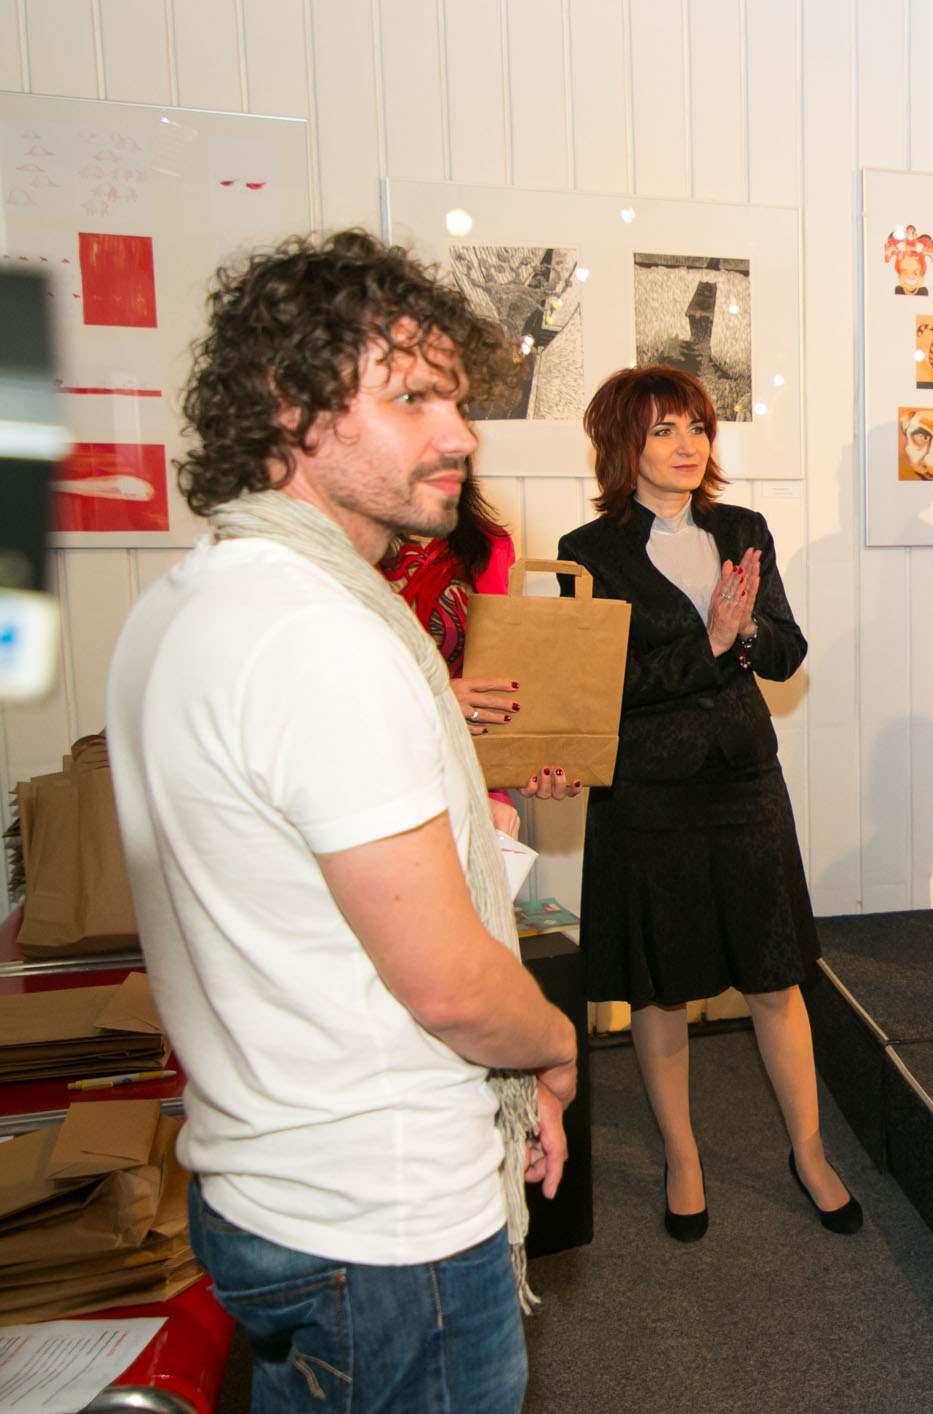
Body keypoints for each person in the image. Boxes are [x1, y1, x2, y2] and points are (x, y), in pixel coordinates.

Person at [104, 229, 578, 1410]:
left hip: (264, 1189)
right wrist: (552, 1041)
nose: (459, 434)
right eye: (412, 398)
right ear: (292, 407)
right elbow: (453, 988)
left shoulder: (188, 598)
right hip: (384, 1227)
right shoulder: (318, 635)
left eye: (455, 398)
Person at [556, 364, 860, 1242]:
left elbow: (786, 656)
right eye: (663, 430)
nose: (686, 445)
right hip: (645, 793)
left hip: (741, 781)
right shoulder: (588, 552)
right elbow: (606, 684)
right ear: (623, 446)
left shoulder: (741, 530)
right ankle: (682, 1156)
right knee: (659, 988)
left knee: (774, 973)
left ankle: (808, 1151)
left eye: (696, 426)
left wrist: (748, 630)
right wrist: (712, 643)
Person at [379, 467, 584, 837]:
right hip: (375, 770)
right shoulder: (347, 543)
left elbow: (498, 673)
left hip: (473, 774)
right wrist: (437, 698)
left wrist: (526, 762)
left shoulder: (489, 543)